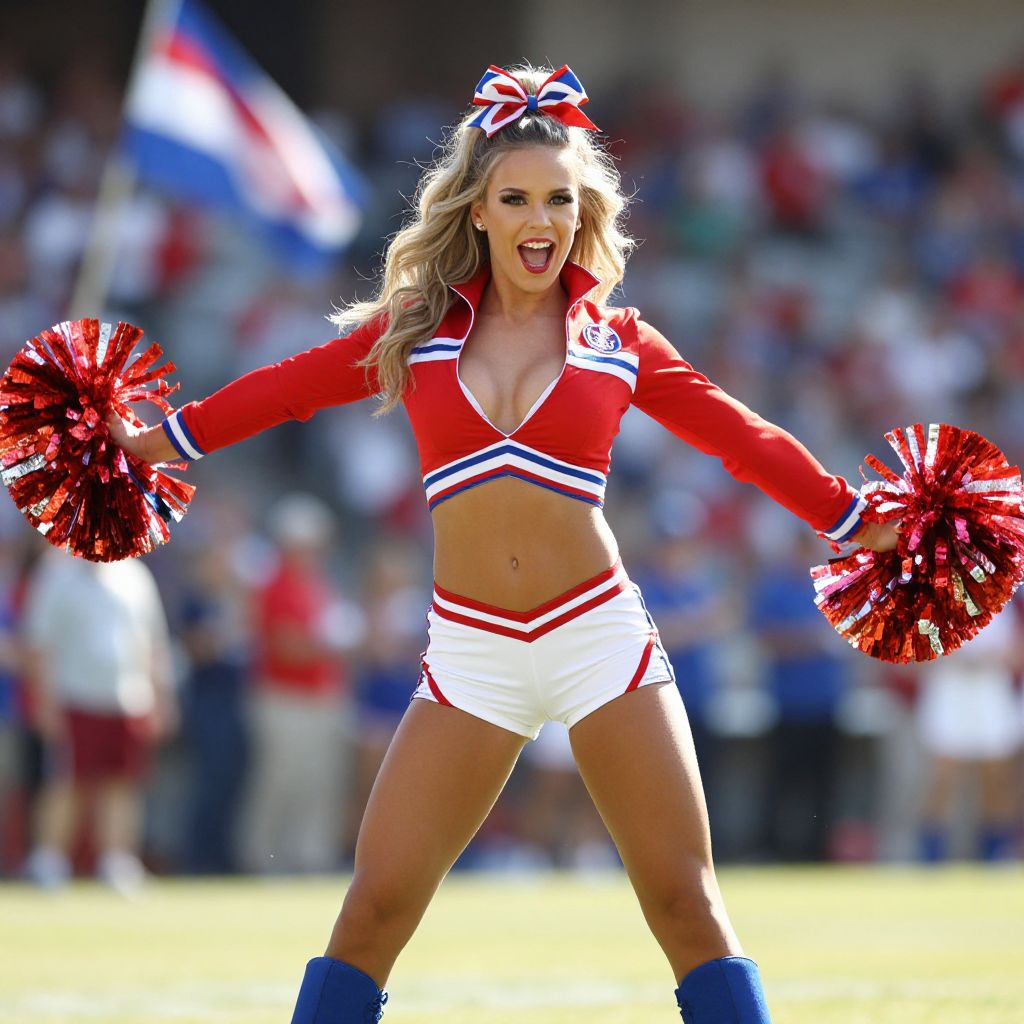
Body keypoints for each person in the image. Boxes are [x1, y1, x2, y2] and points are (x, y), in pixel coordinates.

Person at [109, 64, 898, 1024]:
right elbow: (286, 387)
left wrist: (855, 520)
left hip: (598, 638)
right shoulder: (416, 334)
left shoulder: (620, 342)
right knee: (375, 909)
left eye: (559, 200)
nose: (540, 218)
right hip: (472, 654)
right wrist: (159, 440)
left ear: (582, 213)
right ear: (476, 211)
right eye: (515, 197)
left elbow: (743, 438)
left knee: (685, 903)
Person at [21, 549, 175, 892]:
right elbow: (39, 643)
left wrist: (161, 697)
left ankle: (117, 860)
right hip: (74, 695)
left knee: (123, 783)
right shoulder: (57, 572)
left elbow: (152, 642)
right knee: (67, 780)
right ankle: (50, 859)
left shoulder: (135, 574)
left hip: (128, 697)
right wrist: (44, 702)